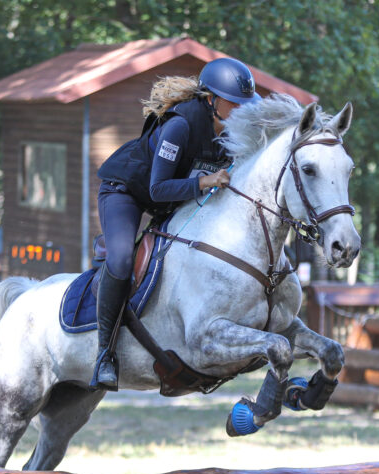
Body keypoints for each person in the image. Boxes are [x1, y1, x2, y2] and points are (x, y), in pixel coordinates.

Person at [90, 57, 261, 390]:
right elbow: (156, 188)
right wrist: (205, 182)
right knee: (123, 260)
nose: (242, 111)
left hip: (169, 202)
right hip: (126, 192)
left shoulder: (230, 135)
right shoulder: (180, 126)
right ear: (211, 100)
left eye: (245, 105)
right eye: (234, 103)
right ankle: (104, 355)